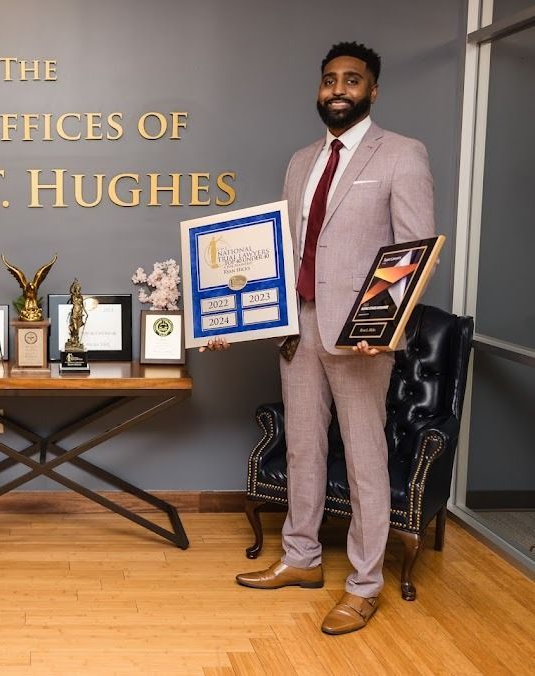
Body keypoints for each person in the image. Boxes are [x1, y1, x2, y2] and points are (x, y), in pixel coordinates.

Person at [229, 42, 435, 635]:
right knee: (302, 447)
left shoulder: (402, 154)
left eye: (351, 80)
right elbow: (281, 251)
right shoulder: (300, 162)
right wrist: (238, 316)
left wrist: (384, 323)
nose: (337, 89)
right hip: (300, 324)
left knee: (366, 457)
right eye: (328, 80)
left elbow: (412, 249)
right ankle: (301, 559)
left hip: (359, 332)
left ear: (373, 90)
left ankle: (365, 584)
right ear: (319, 90)